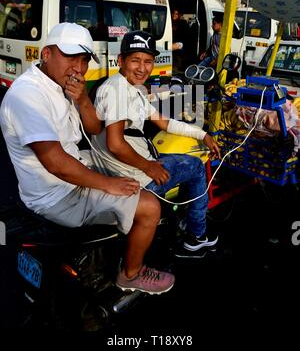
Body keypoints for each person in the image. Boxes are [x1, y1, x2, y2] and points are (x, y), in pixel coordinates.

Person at [0, 22, 174, 295]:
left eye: (83, 60)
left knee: (124, 169)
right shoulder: (27, 95)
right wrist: (107, 184)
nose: (78, 68)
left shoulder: (59, 84)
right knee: (151, 205)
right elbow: (55, 161)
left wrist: (81, 100)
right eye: (70, 56)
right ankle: (131, 274)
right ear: (46, 54)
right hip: (55, 193)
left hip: (70, 167)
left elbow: (93, 129)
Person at [92, 30, 221, 259]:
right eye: (135, 61)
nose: (142, 68)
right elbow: (115, 143)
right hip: (137, 177)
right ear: (121, 60)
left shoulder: (131, 90)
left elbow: (164, 122)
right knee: (196, 167)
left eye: (148, 61)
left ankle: (177, 219)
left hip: (129, 168)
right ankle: (196, 236)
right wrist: (148, 167)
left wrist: (202, 135)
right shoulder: (117, 90)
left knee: (174, 159)